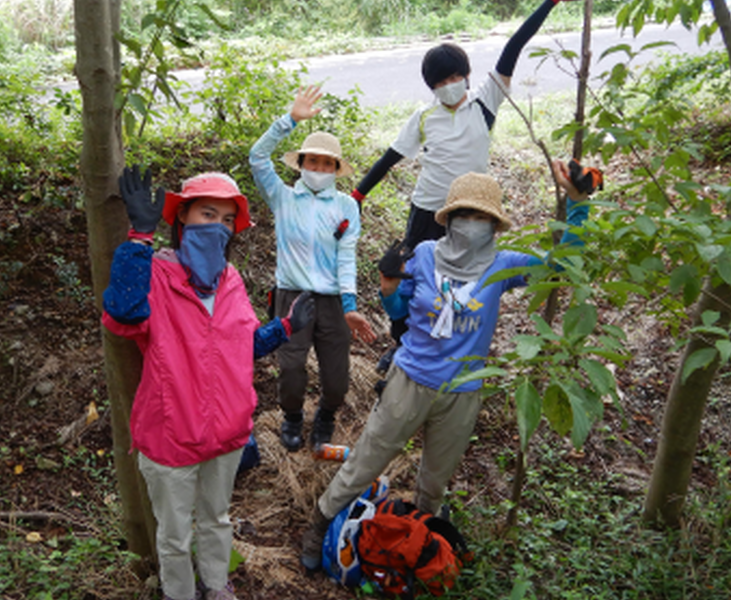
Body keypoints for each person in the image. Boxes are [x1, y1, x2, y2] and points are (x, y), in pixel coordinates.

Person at [299, 160, 597, 571]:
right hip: (409, 381)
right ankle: (320, 522)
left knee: (434, 481)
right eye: (464, 215)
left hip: (462, 392)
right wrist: (388, 290)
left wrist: (577, 205)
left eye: (481, 217)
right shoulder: (423, 255)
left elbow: (561, 267)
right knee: (367, 459)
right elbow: (399, 309)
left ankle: (422, 543)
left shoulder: (503, 265)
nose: (471, 224)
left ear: (494, 225)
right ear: (450, 219)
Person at [102, 167, 315, 600]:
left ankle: (217, 586)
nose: (215, 225)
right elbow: (123, 314)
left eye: (224, 219)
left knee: (217, 519)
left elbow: (240, 346)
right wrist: (139, 238)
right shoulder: (156, 274)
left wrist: (284, 328)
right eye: (206, 214)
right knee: (175, 535)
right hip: (171, 435)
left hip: (227, 433)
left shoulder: (231, 280)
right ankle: (179, 594)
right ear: (181, 220)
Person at [350, 0, 577, 363]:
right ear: (432, 87)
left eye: (455, 77)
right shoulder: (424, 117)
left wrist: (548, 4)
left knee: (465, 279)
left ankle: (457, 345)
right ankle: (403, 346)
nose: (450, 86)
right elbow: (391, 157)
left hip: (471, 213)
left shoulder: (485, 103)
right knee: (411, 280)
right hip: (426, 210)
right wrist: (358, 193)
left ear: (467, 76)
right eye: (441, 82)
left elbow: (513, 46)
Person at [249, 85, 377, 453]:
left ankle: (325, 416)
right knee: (290, 368)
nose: (319, 169)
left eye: (327, 164)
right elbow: (257, 158)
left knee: (337, 377)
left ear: (336, 169)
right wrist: (289, 120)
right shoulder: (284, 197)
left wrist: (350, 306)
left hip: (334, 301)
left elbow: (346, 256)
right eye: (312, 162)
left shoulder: (346, 207)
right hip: (292, 296)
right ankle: (291, 417)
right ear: (301, 164)